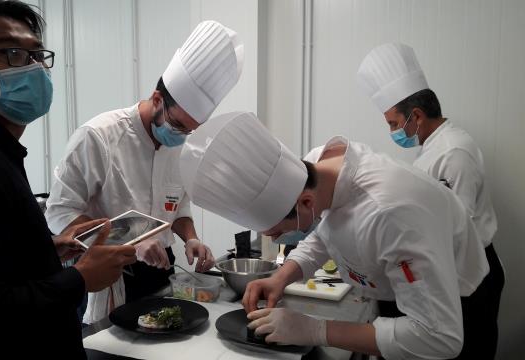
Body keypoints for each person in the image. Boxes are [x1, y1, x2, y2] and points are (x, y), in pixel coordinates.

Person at [0, 1, 136, 359]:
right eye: (12, 53)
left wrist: (46, 249)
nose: (33, 69)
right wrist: (79, 279)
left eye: (36, 55)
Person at [179, 111, 490, 359]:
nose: (276, 239)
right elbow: (324, 233)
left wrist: (316, 331)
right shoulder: (319, 167)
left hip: (457, 297)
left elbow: (439, 338)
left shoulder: (390, 214)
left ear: (305, 203)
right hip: (399, 290)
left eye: (278, 231)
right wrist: (280, 277)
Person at [45, 20, 243, 324]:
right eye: (178, 125)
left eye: (190, 130)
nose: (182, 136)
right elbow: (60, 213)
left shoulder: (180, 145)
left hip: (162, 268)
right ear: (157, 100)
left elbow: (179, 207)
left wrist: (191, 237)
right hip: (109, 274)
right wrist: (129, 241)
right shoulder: (98, 137)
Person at [357, 42, 504, 359]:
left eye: (394, 124)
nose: (394, 132)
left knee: (465, 351)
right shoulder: (433, 146)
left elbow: (454, 232)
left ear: (417, 116)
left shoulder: (454, 153)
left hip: (470, 275)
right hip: (451, 268)